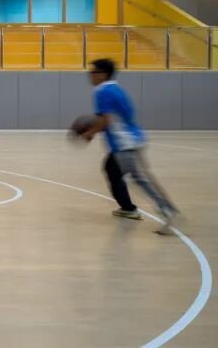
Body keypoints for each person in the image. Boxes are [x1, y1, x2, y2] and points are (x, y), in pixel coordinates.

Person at [77, 58, 180, 234]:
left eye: (93, 72)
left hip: (123, 143)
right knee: (113, 169)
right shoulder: (116, 89)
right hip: (134, 138)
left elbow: (106, 120)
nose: (90, 75)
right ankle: (130, 207)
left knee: (140, 179)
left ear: (103, 75)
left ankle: (167, 210)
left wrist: (89, 133)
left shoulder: (102, 91)